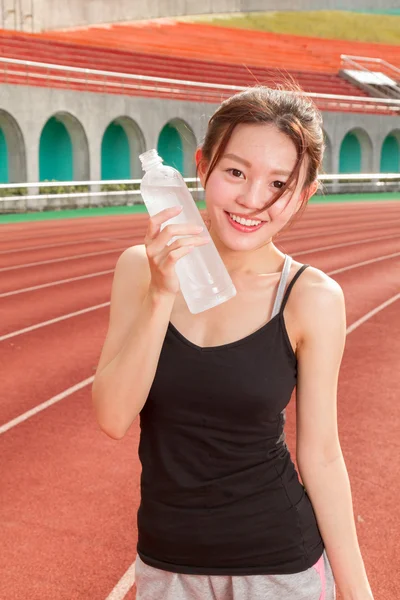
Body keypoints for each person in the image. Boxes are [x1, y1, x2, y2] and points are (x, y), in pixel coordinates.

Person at [92, 86, 374, 600]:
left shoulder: (310, 298)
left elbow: (323, 455)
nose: (251, 200)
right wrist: (161, 292)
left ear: (306, 193)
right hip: (166, 565)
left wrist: (358, 593)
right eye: (236, 172)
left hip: (280, 566)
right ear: (201, 167)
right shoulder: (140, 269)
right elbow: (112, 417)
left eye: (279, 184)